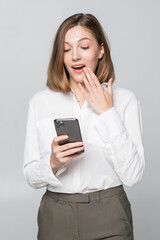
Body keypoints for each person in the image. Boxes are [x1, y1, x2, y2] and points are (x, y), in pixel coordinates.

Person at [23, 13, 145, 240]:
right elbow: (30, 176)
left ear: (100, 50)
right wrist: (52, 162)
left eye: (84, 46)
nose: (75, 56)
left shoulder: (125, 100)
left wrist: (108, 113)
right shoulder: (40, 102)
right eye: (67, 49)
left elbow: (133, 175)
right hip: (56, 215)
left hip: (110, 213)